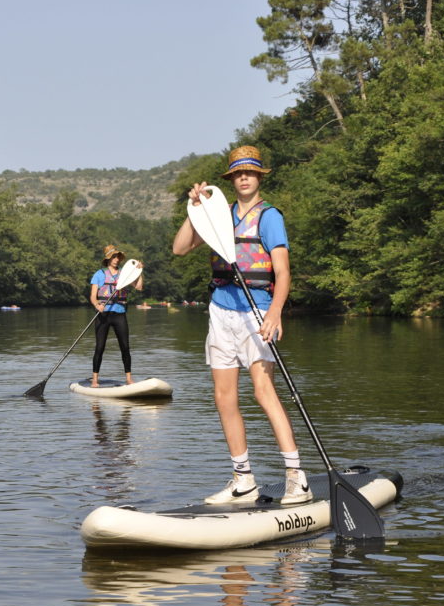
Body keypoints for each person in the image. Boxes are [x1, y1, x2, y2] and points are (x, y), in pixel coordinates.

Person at [172, 145, 311, 505]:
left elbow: (282, 271)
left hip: (258, 308)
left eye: (250, 172)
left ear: (259, 177)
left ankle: (296, 477)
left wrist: (276, 312)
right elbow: (180, 248)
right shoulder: (219, 215)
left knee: (263, 391)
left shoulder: (270, 216)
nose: (244, 177)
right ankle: (243, 479)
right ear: (231, 179)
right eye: (238, 173)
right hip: (221, 309)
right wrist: (195, 210)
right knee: (223, 396)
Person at [90, 245, 142, 387]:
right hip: (103, 314)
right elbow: (93, 297)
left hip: (119, 314)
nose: (117, 259)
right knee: (100, 347)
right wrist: (97, 305)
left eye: (118, 256)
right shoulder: (99, 274)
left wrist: (139, 271)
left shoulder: (124, 275)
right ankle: (95, 380)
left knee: (125, 347)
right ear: (108, 259)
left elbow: (139, 287)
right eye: (114, 256)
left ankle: (129, 379)